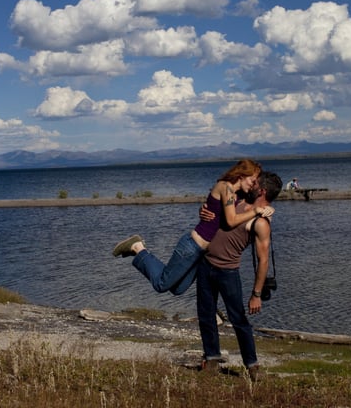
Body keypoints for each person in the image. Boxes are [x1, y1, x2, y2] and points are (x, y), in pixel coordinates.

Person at [112, 159, 275, 295]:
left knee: (178, 289)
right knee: (162, 285)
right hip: (192, 246)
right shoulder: (226, 187)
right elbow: (232, 220)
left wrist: (267, 210)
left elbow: (249, 204)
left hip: (203, 253)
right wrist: (257, 211)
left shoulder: (238, 194)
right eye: (252, 180)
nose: (254, 184)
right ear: (242, 175)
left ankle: (144, 254)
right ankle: (138, 248)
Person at [196, 171, 282, 381]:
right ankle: (212, 359)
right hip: (205, 265)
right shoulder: (236, 201)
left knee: (239, 320)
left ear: (261, 190)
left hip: (228, 272)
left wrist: (256, 294)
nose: (250, 184)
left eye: (255, 183)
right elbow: (215, 208)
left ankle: (252, 366)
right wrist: (204, 211)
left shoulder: (261, 223)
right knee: (206, 316)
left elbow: (263, 261)